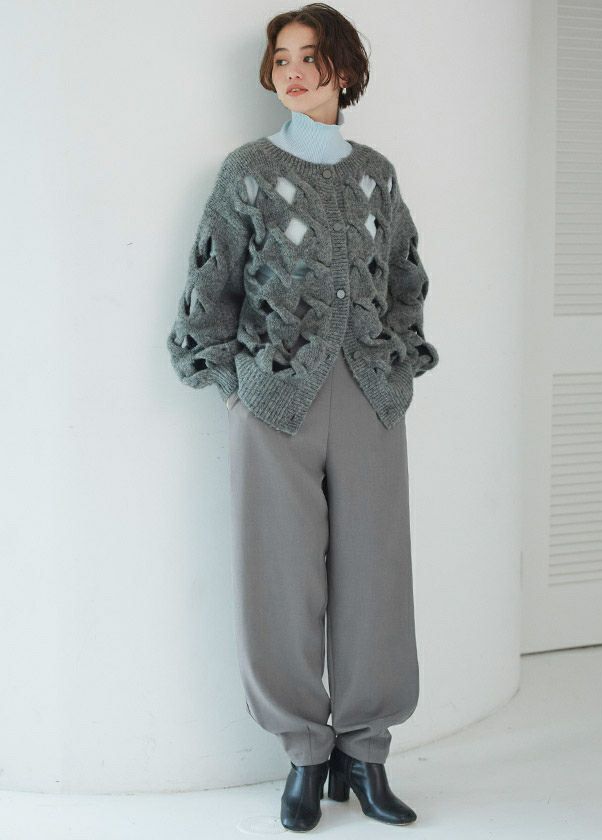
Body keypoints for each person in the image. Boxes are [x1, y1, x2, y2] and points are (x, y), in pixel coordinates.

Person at [166, 3, 439, 831]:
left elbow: (404, 279)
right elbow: (210, 290)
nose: (291, 71)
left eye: (309, 56)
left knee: (376, 576)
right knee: (278, 579)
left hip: (370, 397)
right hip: (273, 403)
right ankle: (304, 756)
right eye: (281, 57)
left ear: (344, 70)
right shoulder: (247, 171)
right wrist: (237, 386)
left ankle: (365, 753)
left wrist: (398, 360)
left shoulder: (376, 175)